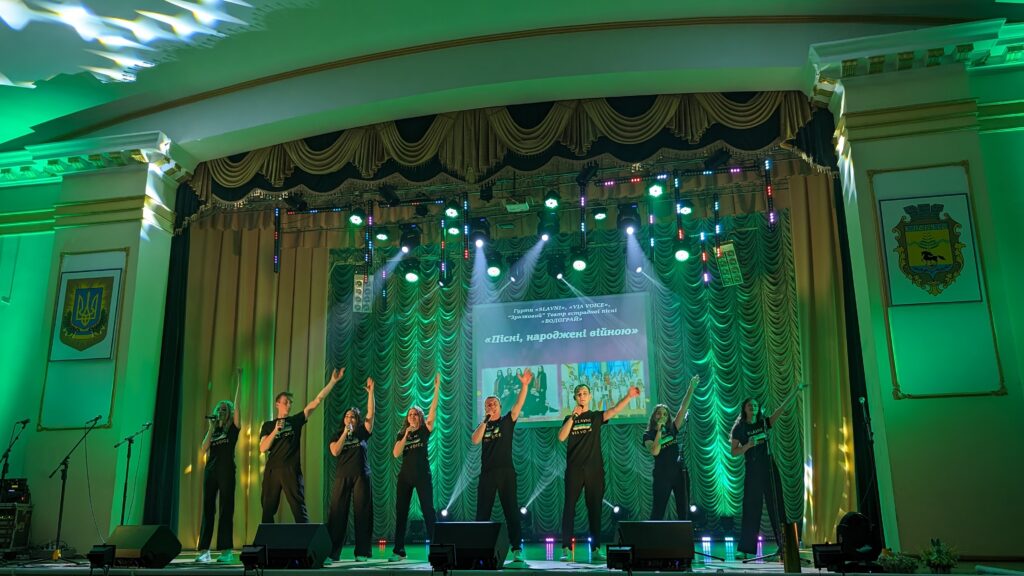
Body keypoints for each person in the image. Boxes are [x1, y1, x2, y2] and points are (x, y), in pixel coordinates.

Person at [557, 381, 641, 562]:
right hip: (574, 470)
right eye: (579, 393)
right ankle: (565, 548)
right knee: (569, 508)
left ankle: (595, 548)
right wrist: (573, 417)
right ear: (575, 397)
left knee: (595, 509)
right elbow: (561, 437)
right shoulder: (569, 418)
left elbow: (614, 410)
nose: (582, 396)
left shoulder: (595, 416)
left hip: (594, 470)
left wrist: (629, 396)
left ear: (590, 396)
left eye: (584, 393)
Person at [259, 367, 344, 523]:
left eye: (290, 403)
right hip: (272, 469)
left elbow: (317, 401)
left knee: (299, 509)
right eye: (286, 402)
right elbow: (263, 448)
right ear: (277, 404)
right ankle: (267, 539)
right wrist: (275, 431)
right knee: (267, 510)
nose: (289, 405)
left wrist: (332, 381)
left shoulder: (295, 421)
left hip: (291, 469)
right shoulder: (268, 425)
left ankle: (306, 539)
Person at [730, 384, 804, 559]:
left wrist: (795, 391)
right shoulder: (739, 428)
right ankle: (745, 549)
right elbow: (734, 452)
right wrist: (748, 445)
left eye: (755, 405)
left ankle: (784, 547)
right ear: (745, 409)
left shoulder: (763, 423)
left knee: (777, 506)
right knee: (751, 507)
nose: (753, 407)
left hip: (769, 467)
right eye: (750, 405)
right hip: (752, 469)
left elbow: (780, 409)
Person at [471, 368, 533, 564]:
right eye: (488, 404)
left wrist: (524, 385)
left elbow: (518, 404)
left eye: (494, 404)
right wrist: (485, 420)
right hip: (487, 473)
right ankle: (479, 548)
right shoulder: (484, 425)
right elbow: (475, 440)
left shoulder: (507, 421)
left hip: (506, 472)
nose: (491, 406)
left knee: (511, 511)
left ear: (499, 406)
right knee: (482, 512)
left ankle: (516, 549)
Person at [389, 373, 441, 562]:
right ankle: (399, 551)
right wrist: (405, 435)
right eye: (410, 414)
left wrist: (436, 389)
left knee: (428, 511)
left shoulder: (424, 430)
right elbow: (396, 453)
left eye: (415, 414)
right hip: (405, 477)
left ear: (420, 417)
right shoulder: (402, 433)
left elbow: (433, 411)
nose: (412, 416)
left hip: (422, 475)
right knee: (401, 512)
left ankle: (436, 549)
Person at [326, 376, 375, 562]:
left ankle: (362, 552)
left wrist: (371, 393)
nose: (349, 418)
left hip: (361, 476)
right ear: (344, 419)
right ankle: (332, 552)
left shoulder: (362, 432)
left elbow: (371, 414)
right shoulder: (338, 433)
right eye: (347, 416)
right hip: (342, 476)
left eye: (353, 416)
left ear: (357, 419)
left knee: (363, 513)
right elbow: (335, 451)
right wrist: (345, 433)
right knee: (337, 514)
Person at [196, 375, 241, 563]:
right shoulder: (214, 431)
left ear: (229, 413)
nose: (221, 412)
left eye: (225, 409)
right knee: (208, 509)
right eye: (219, 409)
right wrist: (210, 427)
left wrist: (239, 381)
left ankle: (226, 551)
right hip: (211, 471)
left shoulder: (233, 429)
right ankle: (204, 551)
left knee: (225, 509)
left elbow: (238, 408)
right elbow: (203, 448)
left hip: (227, 471)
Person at [643, 375, 699, 521]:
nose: (662, 416)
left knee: (683, 511)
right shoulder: (648, 435)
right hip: (662, 476)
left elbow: (683, 408)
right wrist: (659, 431)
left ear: (668, 417)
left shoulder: (673, 429)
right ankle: (653, 536)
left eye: (665, 414)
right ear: (654, 416)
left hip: (679, 474)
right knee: (658, 511)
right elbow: (655, 451)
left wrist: (691, 388)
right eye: (659, 413)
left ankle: (684, 534)